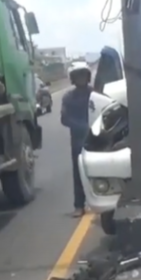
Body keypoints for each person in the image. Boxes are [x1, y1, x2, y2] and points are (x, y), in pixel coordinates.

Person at [62, 62, 93, 217]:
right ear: (73, 78)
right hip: (78, 139)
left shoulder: (95, 94)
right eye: (78, 75)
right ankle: (79, 205)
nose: (81, 78)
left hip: (95, 136)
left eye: (83, 74)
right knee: (78, 172)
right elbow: (64, 118)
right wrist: (81, 127)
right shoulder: (68, 97)